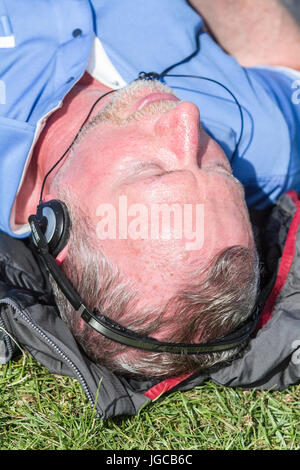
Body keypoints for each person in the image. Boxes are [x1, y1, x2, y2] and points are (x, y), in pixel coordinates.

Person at [1, 0, 300, 378]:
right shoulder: (266, 149)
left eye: (153, 172)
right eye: (218, 168)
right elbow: (285, 61)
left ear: (53, 222)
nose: (186, 117)